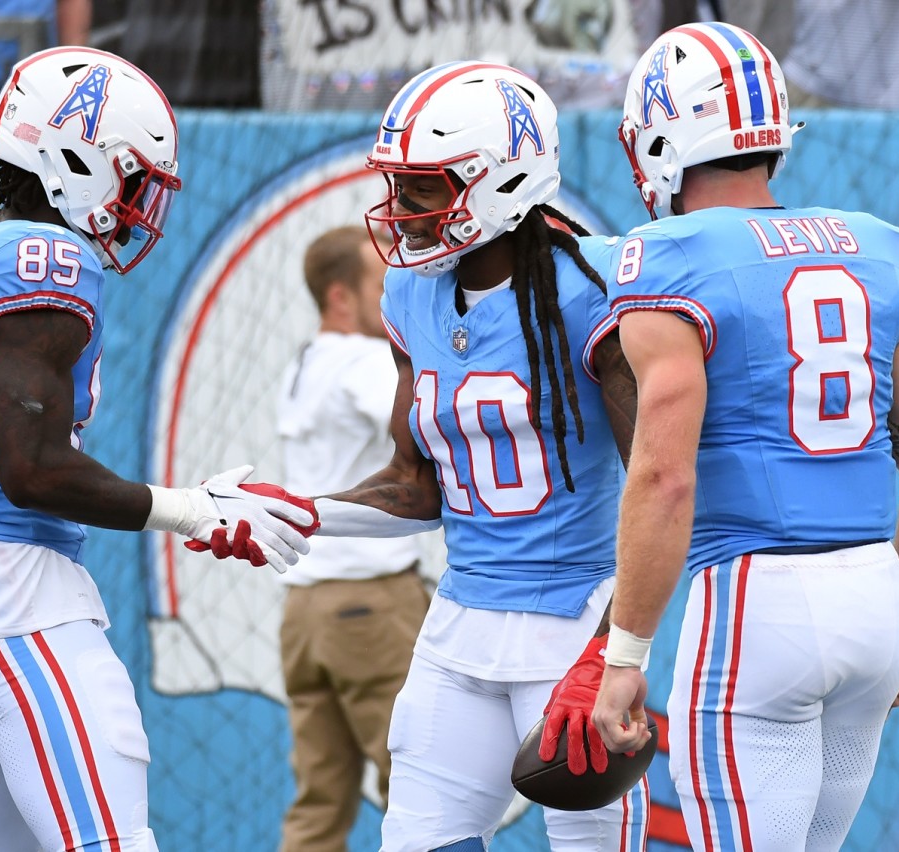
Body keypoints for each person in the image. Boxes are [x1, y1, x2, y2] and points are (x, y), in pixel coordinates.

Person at [0, 46, 312, 852]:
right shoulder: (42, 256)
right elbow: (34, 470)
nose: (134, 206)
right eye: (130, 178)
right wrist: (191, 511)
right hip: (15, 601)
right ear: (77, 159)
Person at [237, 61, 645, 850]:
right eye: (398, 186)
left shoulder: (598, 289)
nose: (401, 211)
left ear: (499, 182)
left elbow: (658, 483)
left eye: (422, 189)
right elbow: (415, 484)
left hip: (572, 625)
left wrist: (617, 648)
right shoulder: (407, 295)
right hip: (459, 623)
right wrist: (299, 511)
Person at [593, 22, 899, 852]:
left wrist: (625, 654)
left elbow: (664, 478)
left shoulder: (668, 255)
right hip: (874, 593)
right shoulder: (871, 247)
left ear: (663, 136)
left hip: (755, 604)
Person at [274, 225, 430, 851]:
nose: (395, 288)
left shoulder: (307, 359)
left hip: (307, 612)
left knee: (320, 804)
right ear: (342, 296)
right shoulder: (365, 359)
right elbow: (426, 425)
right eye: (381, 280)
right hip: (369, 603)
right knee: (422, 788)